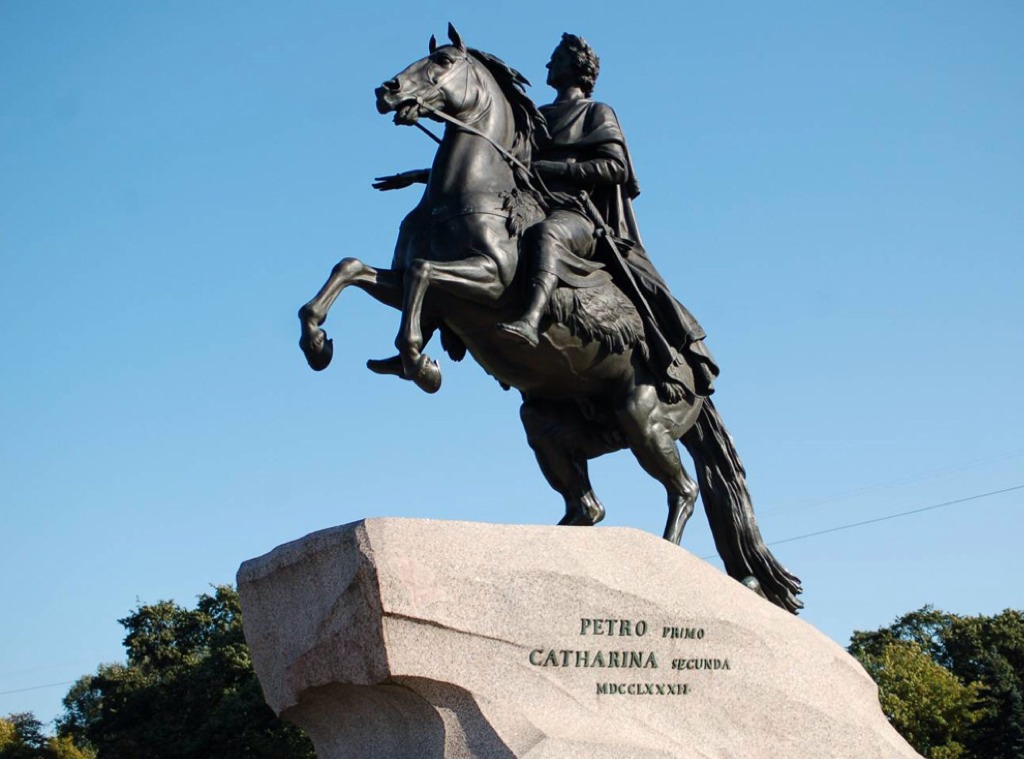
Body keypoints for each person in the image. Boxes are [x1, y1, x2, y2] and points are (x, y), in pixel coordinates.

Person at [497, 33, 718, 399]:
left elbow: (615, 167)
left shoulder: (597, 112)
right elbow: (504, 164)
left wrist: (556, 168)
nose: (549, 65)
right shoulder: (536, 116)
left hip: (577, 213)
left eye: (557, 58)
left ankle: (531, 319)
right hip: (532, 204)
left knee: (546, 236)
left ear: (578, 67)